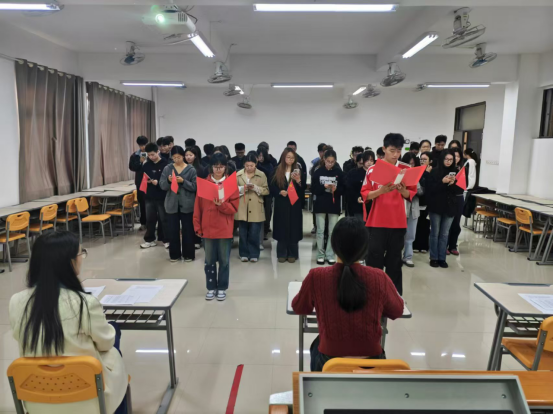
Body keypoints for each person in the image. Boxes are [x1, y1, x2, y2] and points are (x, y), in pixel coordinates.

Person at [9, 231, 129, 414]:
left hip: (36, 399)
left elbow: (20, 337)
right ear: (69, 262)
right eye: (81, 253)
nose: (82, 258)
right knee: (114, 336)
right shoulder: (84, 303)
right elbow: (105, 344)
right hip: (88, 399)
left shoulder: (16, 302)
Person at [292, 217, 404, 372]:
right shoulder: (379, 277)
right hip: (372, 365)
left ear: (333, 245)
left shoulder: (317, 276)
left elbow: (299, 307)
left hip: (329, 364)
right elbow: (397, 310)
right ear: (365, 248)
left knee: (316, 345)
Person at [361, 133, 417, 295]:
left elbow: (410, 195)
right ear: (384, 149)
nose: (395, 154)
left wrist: (402, 190)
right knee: (374, 259)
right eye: (392, 150)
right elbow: (365, 194)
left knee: (395, 262)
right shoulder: (372, 169)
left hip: (398, 222)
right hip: (376, 221)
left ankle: (394, 296)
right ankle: (372, 294)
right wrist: (381, 191)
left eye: (398, 151)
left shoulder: (406, 170)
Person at [194, 153, 240, 302]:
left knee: (224, 260)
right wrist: (197, 225)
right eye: (215, 166)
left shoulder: (230, 184)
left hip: (224, 228)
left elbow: (234, 208)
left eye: (221, 166)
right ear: (211, 167)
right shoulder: (204, 184)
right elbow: (197, 207)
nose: (218, 169)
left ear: (225, 167)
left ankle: (222, 288)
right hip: (207, 228)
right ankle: (211, 287)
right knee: (209, 260)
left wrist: (222, 205)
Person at [160, 146, 198, 263]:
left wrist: (183, 182)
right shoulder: (167, 168)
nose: (177, 160)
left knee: (188, 230)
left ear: (183, 156)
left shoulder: (191, 169)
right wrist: (168, 181)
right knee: (173, 230)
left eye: (179, 157)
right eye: (174, 157)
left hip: (187, 204)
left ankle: (188, 255)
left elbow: (195, 186)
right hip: (171, 204)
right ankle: (174, 255)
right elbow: (162, 185)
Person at [270, 148, 306, 263]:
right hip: (281, 203)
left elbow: (303, 188)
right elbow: (271, 186)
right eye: (288, 157)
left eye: (292, 158)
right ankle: (281, 253)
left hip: (294, 204)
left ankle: (292, 253)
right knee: (281, 226)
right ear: (283, 157)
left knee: (293, 227)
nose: (290, 160)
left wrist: (299, 180)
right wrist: (279, 192)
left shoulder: (298, 170)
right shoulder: (277, 170)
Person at [426, 149, 459, 268]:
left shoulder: (456, 172)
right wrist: (442, 182)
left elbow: (459, 191)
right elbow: (430, 189)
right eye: (446, 159)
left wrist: (453, 184)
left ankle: (442, 258)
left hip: (450, 207)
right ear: (442, 159)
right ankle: (434, 257)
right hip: (436, 206)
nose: (448, 162)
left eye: (451, 160)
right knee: (435, 233)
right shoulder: (435, 172)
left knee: (445, 234)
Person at [312, 149, 345, 265]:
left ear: (335, 161)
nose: (330, 164)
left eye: (332, 162)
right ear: (324, 160)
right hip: (320, 205)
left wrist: (336, 189)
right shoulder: (318, 172)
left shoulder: (339, 172)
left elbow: (343, 189)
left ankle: (330, 254)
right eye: (328, 161)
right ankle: (320, 255)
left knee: (332, 231)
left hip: (333, 205)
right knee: (320, 231)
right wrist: (323, 186)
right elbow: (313, 189)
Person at [236, 152, 269, 262]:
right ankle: (243, 253)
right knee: (242, 232)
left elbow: (266, 190)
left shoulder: (261, 175)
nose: (249, 168)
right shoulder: (238, 175)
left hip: (256, 206)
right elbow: (232, 190)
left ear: (256, 164)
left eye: (252, 165)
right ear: (244, 165)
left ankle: (254, 254)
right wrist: (242, 189)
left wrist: (256, 188)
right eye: (247, 165)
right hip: (242, 206)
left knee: (254, 233)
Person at [140, 143, 170, 250]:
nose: (151, 157)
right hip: (149, 196)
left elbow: (168, 181)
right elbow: (142, 178)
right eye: (149, 155)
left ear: (158, 152)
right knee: (150, 219)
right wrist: (146, 181)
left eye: (153, 154)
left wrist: (158, 182)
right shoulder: (146, 165)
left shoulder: (166, 164)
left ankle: (167, 240)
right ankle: (149, 239)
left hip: (162, 196)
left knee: (164, 219)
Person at [401, 153, 424, 268]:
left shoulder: (418, 174)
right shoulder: (398, 174)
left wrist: (414, 183)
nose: (410, 166)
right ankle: (397, 256)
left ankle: (408, 257)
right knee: (399, 235)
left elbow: (421, 192)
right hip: (400, 208)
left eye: (413, 164)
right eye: (408, 163)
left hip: (413, 209)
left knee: (410, 235)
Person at [447, 147, 466, 256]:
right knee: (446, 224)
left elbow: (464, 185)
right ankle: (444, 245)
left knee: (456, 223)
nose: (456, 158)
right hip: (448, 198)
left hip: (458, 198)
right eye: (454, 156)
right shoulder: (446, 169)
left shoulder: (462, 170)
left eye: (458, 156)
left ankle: (453, 246)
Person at [413, 152, 433, 253]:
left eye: (425, 159)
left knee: (425, 226)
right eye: (421, 159)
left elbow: (428, 186)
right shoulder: (417, 171)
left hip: (427, 203)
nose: (422, 161)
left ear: (430, 161)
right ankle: (416, 245)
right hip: (417, 202)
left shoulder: (432, 172)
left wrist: (427, 173)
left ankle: (424, 246)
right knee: (417, 226)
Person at [129, 136, 149, 230]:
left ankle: (153, 223)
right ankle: (143, 223)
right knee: (142, 203)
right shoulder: (135, 155)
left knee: (152, 203)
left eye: (144, 145)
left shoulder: (152, 153)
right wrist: (140, 162)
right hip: (140, 182)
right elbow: (132, 167)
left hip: (151, 182)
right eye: (141, 145)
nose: (143, 147)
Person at [257, 146, 275, 240]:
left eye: (262, 156)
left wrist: (260, 167)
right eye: (259, 156)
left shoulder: (269, 165)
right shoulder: (254, 165)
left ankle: (265, 230)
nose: (261, 158)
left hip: (267, 192)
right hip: (256, 192)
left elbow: (270, 175)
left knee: (267, 212)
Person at [345, 153, 369, 221]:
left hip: (369, 205)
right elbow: (349, 188)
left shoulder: (372, 173)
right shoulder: (352, 173)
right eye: (360, 163)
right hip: (356, 205)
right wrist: (357, 197)